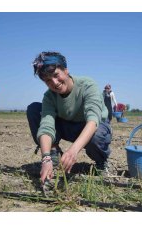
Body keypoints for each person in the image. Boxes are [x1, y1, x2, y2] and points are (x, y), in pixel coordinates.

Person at [27, 51, 112, 184]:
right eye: (48, 80)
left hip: (91, 126)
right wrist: (45, 157)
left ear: (66, 71)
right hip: (68, 125)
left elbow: (93, 120)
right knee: (34, 109)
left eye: (56, 75)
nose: (54, 83)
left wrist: (73, 151)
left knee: (97, 135)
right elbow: (46, 125)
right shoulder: (49, 97)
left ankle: (101, 161)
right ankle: (53, 155)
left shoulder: (87, 86)